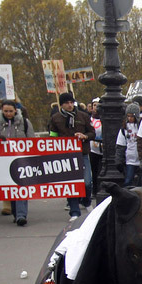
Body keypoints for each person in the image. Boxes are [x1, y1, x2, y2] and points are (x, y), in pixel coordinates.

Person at [48, 92, 94, 221]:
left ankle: (86, 201)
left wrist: (85, 136)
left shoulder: (83, 116)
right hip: (66, 155)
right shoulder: (56, 118)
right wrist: (57, 144)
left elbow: (92, 132)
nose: (69, 105)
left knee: (87, 182)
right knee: (71, 184)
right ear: (61, 105)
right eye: (66, 103)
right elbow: (52, 135)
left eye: (71, 102)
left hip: (82, 153)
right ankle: (74, 211)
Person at [0, 100, 35, 225]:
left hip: (21, 159)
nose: (8, 113)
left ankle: (21, 215)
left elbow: (32, 141)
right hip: (4, 160)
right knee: (11, 187)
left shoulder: (25, 122)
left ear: (15, 110)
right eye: (5, 111)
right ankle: (16, 213)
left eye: (11, 111)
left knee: (21, 186)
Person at [115, 103, 142, 187]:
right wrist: (119, 159)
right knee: (128, 181)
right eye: (128, 116)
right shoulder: (124, 128)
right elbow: (120, 145)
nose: (130, 118)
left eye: (132, 116)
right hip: (130, 159)